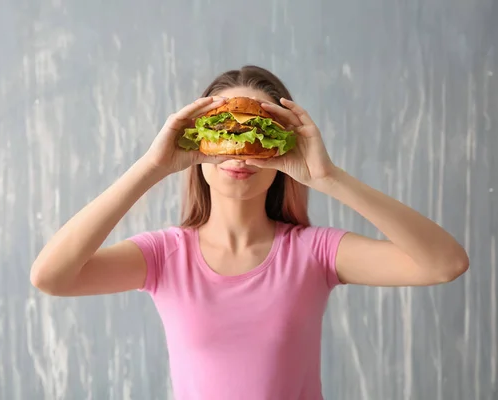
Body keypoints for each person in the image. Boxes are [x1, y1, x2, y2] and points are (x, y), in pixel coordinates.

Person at [30, 65, 469, 399]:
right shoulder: (165, 256)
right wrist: (151, 168)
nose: (240, 151)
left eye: (258, 132)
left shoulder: (313, 253)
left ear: (284, 147)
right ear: (197, 144)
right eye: (223, 131)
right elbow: (51, 277)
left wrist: (329, 177)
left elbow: (445, 264)